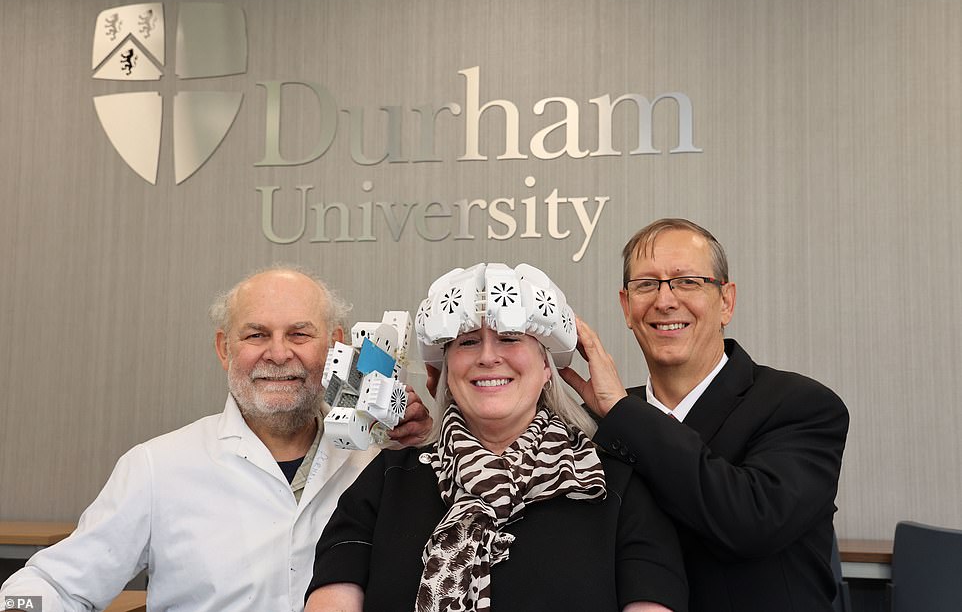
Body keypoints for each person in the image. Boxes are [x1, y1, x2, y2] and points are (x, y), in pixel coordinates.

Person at [0, 266, 431, 612]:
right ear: (225, 348)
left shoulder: (384, 460)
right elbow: (55, 583)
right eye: (256, 334)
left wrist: (423, 445)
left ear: (337, 346)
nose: (278, 354)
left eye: (299, 334)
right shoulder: (156, 467)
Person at [304, 263, 688, 612]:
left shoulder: (616, 486)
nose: (488, 357)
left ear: (546, 366)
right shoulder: (386, 480)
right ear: (447, 369)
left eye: (509, 338)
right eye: (467, 341)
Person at [560, 218, 849, 612]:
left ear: (726, 301)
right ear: (627, 307)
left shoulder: (802, 405)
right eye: (646, 284)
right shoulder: (596, 423)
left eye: (687, 282)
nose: (664, 301)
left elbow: (749, 521)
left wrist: (622, 414)